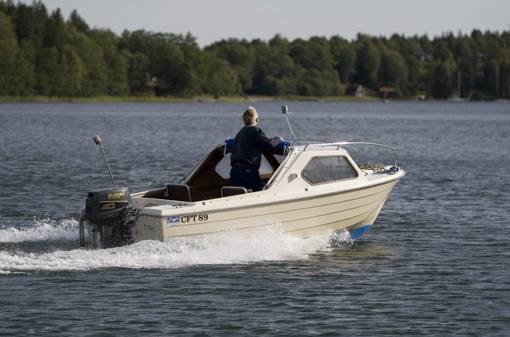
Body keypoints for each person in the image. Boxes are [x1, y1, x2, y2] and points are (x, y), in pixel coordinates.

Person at [230, 106, 282, 192]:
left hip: (235, 171)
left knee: (236, 195)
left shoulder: (240, 133)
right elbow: (269, 144)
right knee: (260, 194)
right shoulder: (254, 130)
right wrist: (278, 139)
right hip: (248, 171)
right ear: (256, 120)